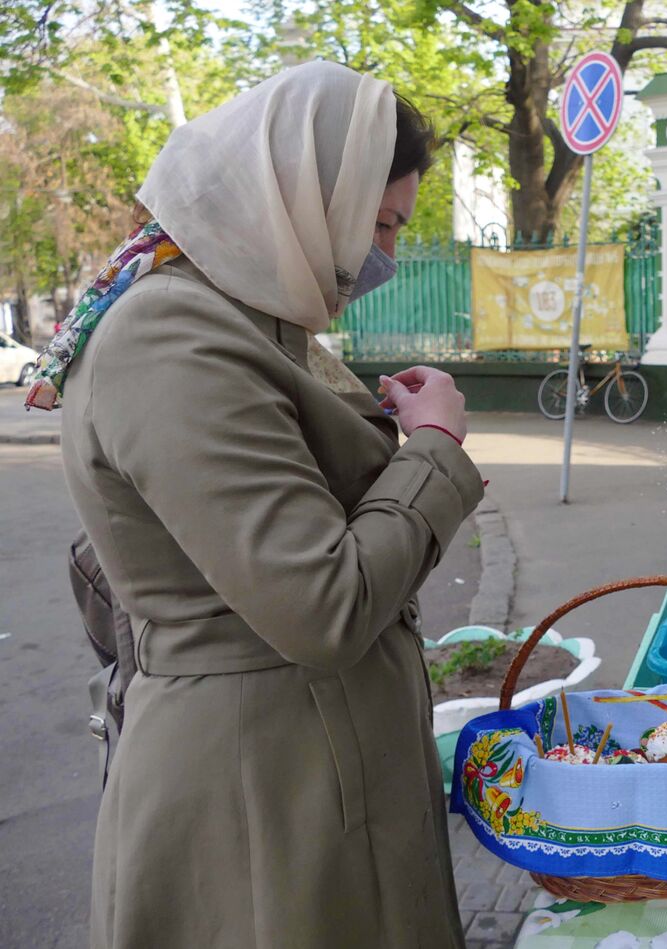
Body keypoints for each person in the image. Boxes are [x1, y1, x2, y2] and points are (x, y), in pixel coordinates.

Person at [33, 63, 480, 947]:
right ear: (301, 196)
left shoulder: (248, 318)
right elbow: (321, 603)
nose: (381, 253)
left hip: (310, 769)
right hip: (259, 800)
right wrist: (436, 449)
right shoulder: (172, 335)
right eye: (379, 224)